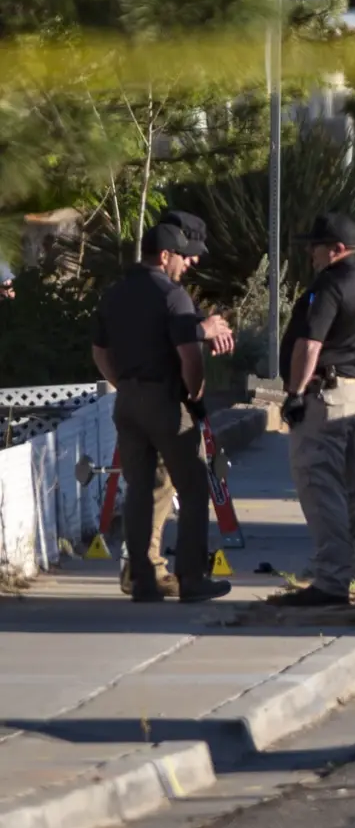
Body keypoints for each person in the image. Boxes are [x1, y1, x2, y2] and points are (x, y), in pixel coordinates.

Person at [90, 223, 232, 603]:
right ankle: (192, 577)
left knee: (138, 489)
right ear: (164, 255)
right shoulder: (173, 297)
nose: (186, 264)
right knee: (194, 484)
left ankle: (143, 581)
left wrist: (123, 383)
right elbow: (190, 356)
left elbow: (100, 352)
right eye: (181, 257)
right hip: (166, 401)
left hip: (128, 401)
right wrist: (195, 394)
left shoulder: (115, 295)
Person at [276, 213, 355, 607]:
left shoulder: (329, 285)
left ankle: (332, 578)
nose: (311, 253)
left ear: (336, 249)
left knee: (320, 484)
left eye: (315, 246)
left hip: (326, 396)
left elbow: (309, 345)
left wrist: (296, 393)